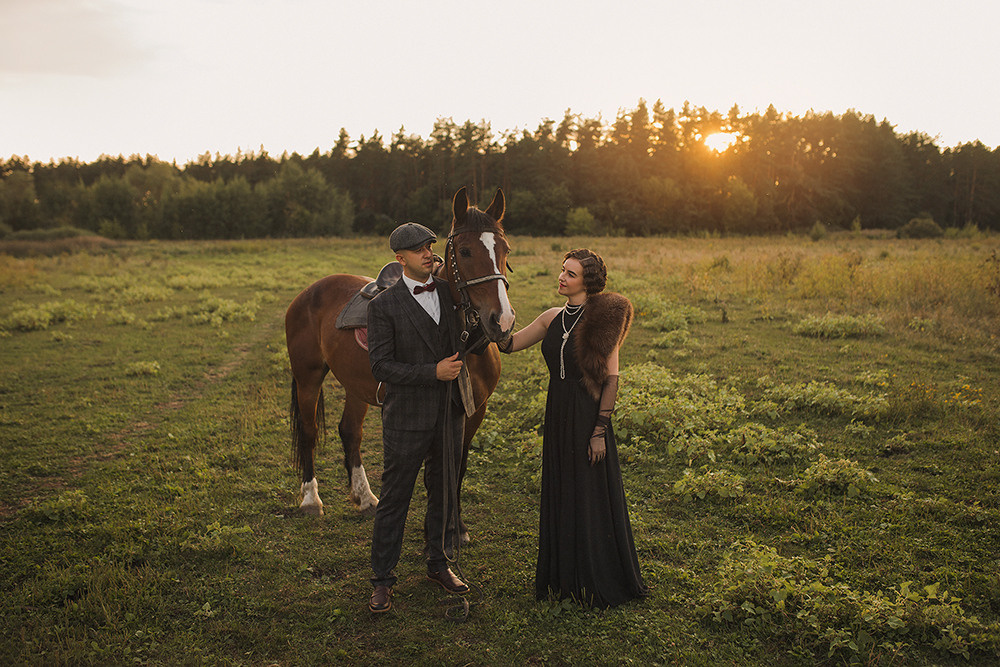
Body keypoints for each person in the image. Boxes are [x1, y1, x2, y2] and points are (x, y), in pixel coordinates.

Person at [499, 248, 648, 609]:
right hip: (557, 411)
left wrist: (599, 431)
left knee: (588, 492)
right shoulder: (551, 317)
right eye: (562, 270)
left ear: (588, 282)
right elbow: (510, 345)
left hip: (587, 416)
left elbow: (612, 380)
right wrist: (499, 316)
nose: (562, 277)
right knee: (562, 487)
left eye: (571, 273)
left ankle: (596, 578)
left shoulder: (601, 322)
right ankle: (562, 578)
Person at [365, 222, 470, 614]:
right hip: (406, 417)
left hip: (448, 412)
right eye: (418, 249)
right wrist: (432, 372)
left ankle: (438, 564)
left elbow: (464, 338)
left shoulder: (450, 292)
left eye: (430, 246)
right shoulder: (383, 306)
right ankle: (382, 578)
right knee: (395, 498)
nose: (428, 253)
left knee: (443, 490)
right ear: (400, 258)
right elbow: (381, 366)